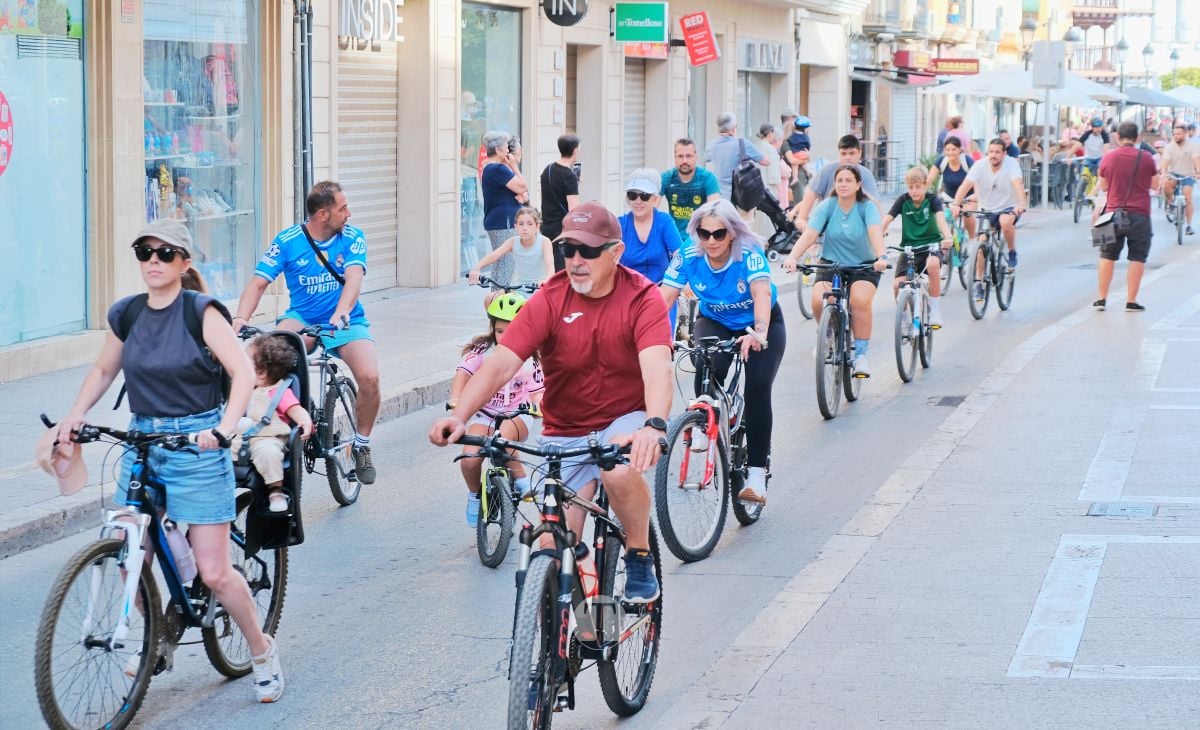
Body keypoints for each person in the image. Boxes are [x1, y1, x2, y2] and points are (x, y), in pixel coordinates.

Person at [55, 219, 284, 703]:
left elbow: (242, 374)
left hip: (197, 445)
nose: (153, 260)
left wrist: (223, 428)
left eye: (164, 252)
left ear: (184, 262)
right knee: (125, 555)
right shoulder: (128, 313)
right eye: (145, 251)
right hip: (142, 441)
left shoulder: (201, 311)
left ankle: (262, 650)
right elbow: (103, 369)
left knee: (216, 573)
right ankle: (161, 630)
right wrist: (75, 416)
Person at [429, 201, 673, 603]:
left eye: (588, 251)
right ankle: (568, 643)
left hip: (623, 417)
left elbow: (657, 367)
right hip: (565, 428)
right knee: (556, 547)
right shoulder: (550, 297)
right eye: (568, 249)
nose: (576, 260)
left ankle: (639, 551)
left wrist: (655, 426)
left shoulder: (641, 297)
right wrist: (461, 416)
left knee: (616, 472)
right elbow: (501, 364)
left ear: (615, 252)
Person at [232, 181, 381, 484]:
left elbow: (353, 279)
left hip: (346, 318)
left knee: (370, 377)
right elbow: (259, 282)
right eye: (343, 209)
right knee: (264, 357)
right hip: (302, 317)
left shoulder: (352, 236)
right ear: (323, 214)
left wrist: (341, 312)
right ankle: (271, 426)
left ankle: (362, 446)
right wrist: (240, 319)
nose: (349, 213)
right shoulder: (288, 240)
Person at [658, 199, 785, 503]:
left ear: (731, 233)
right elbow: (663, 298)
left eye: (719, 234)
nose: (711, 241)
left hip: (760, 322)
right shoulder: (687, 255)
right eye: (704, 233)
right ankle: (704, 420)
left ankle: (756, 473)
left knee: (757, 388)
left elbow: (761, 292)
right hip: (715, 320)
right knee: (705, 359)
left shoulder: (749, 253)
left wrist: (760, 332)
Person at [782, 165, 889, 377]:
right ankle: (828, 333)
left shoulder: (866, 207)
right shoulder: (827, 206)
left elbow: (875, 232)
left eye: (849, 180)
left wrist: (881, 256)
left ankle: (860, 355)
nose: (843, 184)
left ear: (858, 185)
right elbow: (810, 235)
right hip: (831, 263)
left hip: (864, 265)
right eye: (839, 180)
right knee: (818, 299)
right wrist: (793, 257)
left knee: (859, 301)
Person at [449, 292, 543, 526]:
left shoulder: (532, 357)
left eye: (511, 330)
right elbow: (462, 375)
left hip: (517, 414)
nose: (505, 336)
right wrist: (456, 401)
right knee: (470, 457)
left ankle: (521, 481)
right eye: (500, 331)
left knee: (503, 440)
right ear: (492, 328)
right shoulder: (482, 351)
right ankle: (474, 494)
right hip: (486, 413)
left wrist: (537, 405)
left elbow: (538, 392)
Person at [233, 334, 314, 512]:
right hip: (242, 438)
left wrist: (305, 421)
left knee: (268, 454)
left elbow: (296, 409)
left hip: (270, 438)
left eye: (245, 365)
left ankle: (275, 491)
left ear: (261, 373)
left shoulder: (278, 392)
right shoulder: (243, 390)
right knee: (218, 452)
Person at [1094, 122, 1158, 312]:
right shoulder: (1146, 157)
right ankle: (1131, 301)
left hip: (1112, 213)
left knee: (1107, 256)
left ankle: (1101, 299)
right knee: (1137, 257)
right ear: (1137, 138)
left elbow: (1104, 187)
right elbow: (1155, 185)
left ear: (1117, 137)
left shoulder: (1108, 158)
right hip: (1140, 214)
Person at [951, 139, 1028, 293]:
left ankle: (1012, 251)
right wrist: (955, 204)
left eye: (997, 152)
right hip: (987, 209)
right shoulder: (980, 165)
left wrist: (1022, 204)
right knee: (981, 243)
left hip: (1008, 206)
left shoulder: (1011, 164)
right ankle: (979, 281)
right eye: (991, 152)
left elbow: (1018, 184)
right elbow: (965, 186)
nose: (993, 155)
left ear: (1004, 153)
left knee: (1005, 222)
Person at [881, 167, 954, 327]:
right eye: (910, 187)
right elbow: (888, 218)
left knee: (933, 265)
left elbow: (941, 220)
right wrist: (878, 232)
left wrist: (948, 237)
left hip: (931, 245)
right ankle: (907, 318)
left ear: (925, 185)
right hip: (909, 249)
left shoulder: (933, 200)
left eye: (918, 186)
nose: (914, 191)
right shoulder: (903, 200)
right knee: (896, 286)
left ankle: (935, 311)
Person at [788, 134, 882, 230]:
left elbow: (875, 204)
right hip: (827, 222)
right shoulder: (827, 170)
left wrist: (880, 226)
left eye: (852, 153)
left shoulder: (866, 174)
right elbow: (811, 194)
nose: (848, 157)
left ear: (859, 153)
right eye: (844, 153)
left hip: (856, 224)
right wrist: (802, 218)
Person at [479, 131, 529, 285]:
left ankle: (497, 301)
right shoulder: (497, 169)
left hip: (498, 221)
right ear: (499, 150)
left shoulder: (491, 168)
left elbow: (523, 194)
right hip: (503, 223)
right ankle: (499, 302)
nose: (508, 150)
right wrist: (514, 166)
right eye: (506, 147)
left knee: (501, 262)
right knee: (505, 264)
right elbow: (522, 186)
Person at [619, 168, 683, 285]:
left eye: (644, 196)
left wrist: (674, 286)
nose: (638, 201)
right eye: (632, 195)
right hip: (630, 293)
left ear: (654, 199)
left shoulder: (664, 221)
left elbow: (679, 257)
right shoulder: (620, 224)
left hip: (661, 293)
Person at [468, 207, 554, 287]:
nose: (525, 228)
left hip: (538, 287)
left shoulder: (544, 242)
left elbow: (550, 268)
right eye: (521, 224)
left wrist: (546, 280)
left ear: (537, 226)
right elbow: (494, 256)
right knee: (489, 299)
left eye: (530, 224)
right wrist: (476, 268)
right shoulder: (513, 242)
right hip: (518, 286)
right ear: (516, 227)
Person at [661, 138, 721, 240]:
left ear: (696, 157)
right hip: (674, 238)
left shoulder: (707, 178)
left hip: (700, 238)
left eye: (689, 156)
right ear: (674, 158)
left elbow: (715, 210)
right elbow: (650, 205)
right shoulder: (667, 178)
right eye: (680, 156)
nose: (684, 161)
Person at [704, 112, 770, 205]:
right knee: (744, 219)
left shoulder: (711, 145)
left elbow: (706, 158)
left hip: (717, 196)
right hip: (740, 196)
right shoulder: (742, 144)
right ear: (732, 128)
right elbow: (765, 161)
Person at [540, 133, 581, 271]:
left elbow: (544, 195)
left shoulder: (548, 169)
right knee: (561, 269)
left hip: (546, 226)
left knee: (549, 267)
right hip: (562, 229)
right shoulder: (569, 176)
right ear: (575, 150)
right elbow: (573, 209)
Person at [926, 136, 976, 239]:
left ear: (959, 150)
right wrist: (922, 193)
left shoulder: (967, 161)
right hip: (948, 197)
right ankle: (948, 242)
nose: (950, 152)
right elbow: (929, 179)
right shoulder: (942, 161)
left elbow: (976, 179)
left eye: (954, 149)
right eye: (948, 150)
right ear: (944, 150)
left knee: (967, 214)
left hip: (968, 198)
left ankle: (972, 240)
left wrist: (976, 195)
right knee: (943, 217)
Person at [1160, 124, 1200, 235]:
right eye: (1174, 134)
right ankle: (1170, 202)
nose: (1176, 136)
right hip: (1174, 173)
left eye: (1178, 134)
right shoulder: (1169, 147)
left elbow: (1197, 160)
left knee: (1188, 196)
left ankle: (1189, 226)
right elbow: (1165, 162)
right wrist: (1163, 173)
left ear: (1185, 134)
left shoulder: (1193, 146)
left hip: (1188, 174)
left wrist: (1198, 172)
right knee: (1167, 186)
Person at [754, 124, 784, 232]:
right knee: (767, 220)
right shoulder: (771, 150)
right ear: (770, 133)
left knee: (757, 220)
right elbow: (774, 177)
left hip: (754, 188)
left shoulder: (755, 146)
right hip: (767, 188)